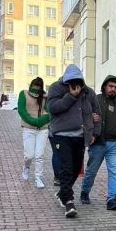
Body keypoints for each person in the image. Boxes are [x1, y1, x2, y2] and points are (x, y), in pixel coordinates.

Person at [46, 65, 100, 218]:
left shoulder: (88, 92)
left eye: (78, 82)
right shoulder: (56, 88)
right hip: (61, 135)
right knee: (66, 168)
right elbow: (53, 108)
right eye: (72, 82)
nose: (76, 85)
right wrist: (71, 96)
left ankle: (62, 192)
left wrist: (95, 132)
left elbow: (97, 113)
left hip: (80, 136)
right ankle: (69, 202)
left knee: (76, 169)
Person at [80, 76, 116, 211]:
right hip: (98, 142)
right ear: (104, 86)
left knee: (114, 171)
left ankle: (111, 199)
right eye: (110, 86)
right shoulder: (96, 99)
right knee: (91, 171)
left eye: (115, 87)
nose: (113, 89)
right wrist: (90, 117)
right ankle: (84, 192)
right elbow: (84, 114)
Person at [17, 77, 50, 188]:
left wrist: (41, 121)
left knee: (39, 155)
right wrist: (33, 121)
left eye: (38, 86)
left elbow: (49, 112)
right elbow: (21, 111)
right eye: (34, 85)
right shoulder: (24, 94)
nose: (36, 89)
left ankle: (38, 178)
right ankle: (26, 167)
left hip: (43, 129)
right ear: (31, 85)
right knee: (29, 155)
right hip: (28, 129)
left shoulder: (45, 97)